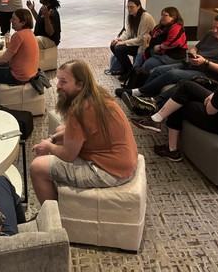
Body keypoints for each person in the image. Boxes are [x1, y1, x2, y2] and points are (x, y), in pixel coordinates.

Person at [134, 42, 218, 162]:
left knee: (180, 103)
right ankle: (157, 119)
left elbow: (210, 111)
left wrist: (211, 99)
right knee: (187, 86)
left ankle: (171, 149)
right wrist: (215, 95)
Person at [30, 60, 138, 204]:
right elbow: (72, 131)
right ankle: (57, 189)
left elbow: (69, 155)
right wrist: (52, 139)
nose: (58, 85)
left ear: (80, 85)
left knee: (37, 167)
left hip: (111, 172)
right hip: (123, 161)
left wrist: (48, 146)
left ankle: (53, 218)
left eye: (63, 81)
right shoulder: (96, 94)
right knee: (60, 130)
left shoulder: (79, 110)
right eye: (58, 80)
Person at [129, 25, 218, 122]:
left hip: (216, 87)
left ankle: (154, 108)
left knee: (182, 84)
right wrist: (194, 55)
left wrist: (206, 63)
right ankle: (145, 98)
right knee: (164, 72)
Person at [117, 11, 218, 114]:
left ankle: (144, 98)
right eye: (214, 27)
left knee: (172, 74)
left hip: (206, 74)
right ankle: (140, 94)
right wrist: (193, 53)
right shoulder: (210, 34)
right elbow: (195, 47)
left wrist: (205, 62)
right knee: (159, 70)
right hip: (192, 64)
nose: (215, 30)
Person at [0, 9, 39, 108]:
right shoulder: (29, 33)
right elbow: (8, 57)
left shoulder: (18, 35)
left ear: (23, 22)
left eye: (14, 19)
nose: (10, 20)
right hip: (30, 73)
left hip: (18, 76)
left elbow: (4, 59)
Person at [109, 0, 155, 81]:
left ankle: (129, 70)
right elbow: (128, 32)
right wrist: (119, 39)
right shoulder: (131, 16)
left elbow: (141, 39)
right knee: (113, 45)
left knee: (119, 48)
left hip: (144, 46)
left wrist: (123, 43)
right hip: (135, 43)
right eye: (128, 7)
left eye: (132, 7)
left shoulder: (146, 17)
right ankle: (125, 68)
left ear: (139, 6)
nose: (129, 9)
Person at [133, 6, 187, 71]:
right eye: (162, 15)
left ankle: (141, 79)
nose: (162, 17)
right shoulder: (162, 26)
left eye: (165, 15)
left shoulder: (176, 28)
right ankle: (134, 75)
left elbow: (174, 43)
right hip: (160, 52)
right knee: (139, 57)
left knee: (148, 64)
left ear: (172, 17)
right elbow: (153, 35)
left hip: (172, 56)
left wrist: (160, 46)